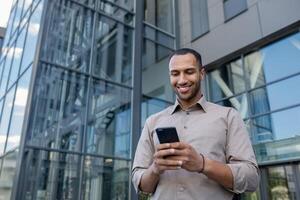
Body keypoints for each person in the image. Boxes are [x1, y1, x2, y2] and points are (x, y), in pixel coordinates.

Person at [132, 48, 259, 200]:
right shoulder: (152, 122)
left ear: (202, 74)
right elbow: (141, 186)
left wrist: (202, 164)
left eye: (189, 71)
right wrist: (155, 168)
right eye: (175, 73)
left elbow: (251, 178)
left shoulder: (228, 116)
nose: (182, 80)